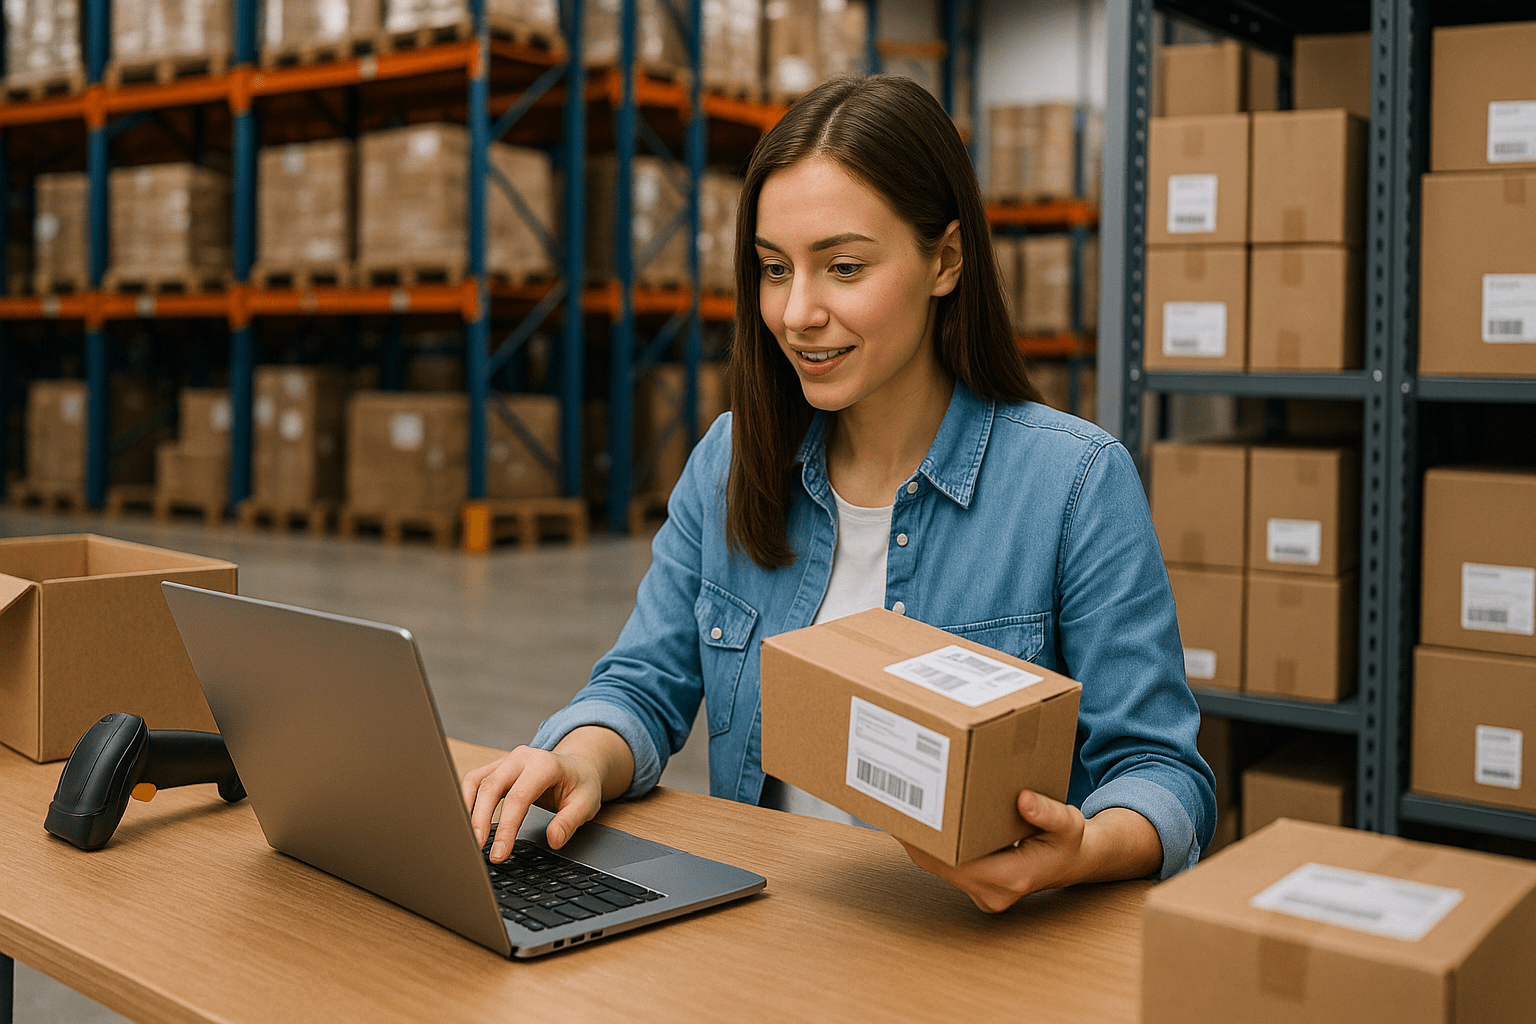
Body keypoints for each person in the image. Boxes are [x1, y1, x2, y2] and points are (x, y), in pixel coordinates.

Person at [463, 75, 1216, 913]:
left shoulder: (1072, 484)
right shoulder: (732, 462)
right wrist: (577, 759)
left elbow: (1162, 773)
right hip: (770, 939)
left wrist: (1083, 850)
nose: (796, 312)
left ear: (946, 260)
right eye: (774, 269)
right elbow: (641, 685)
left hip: (975, 959)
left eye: (844, 267)